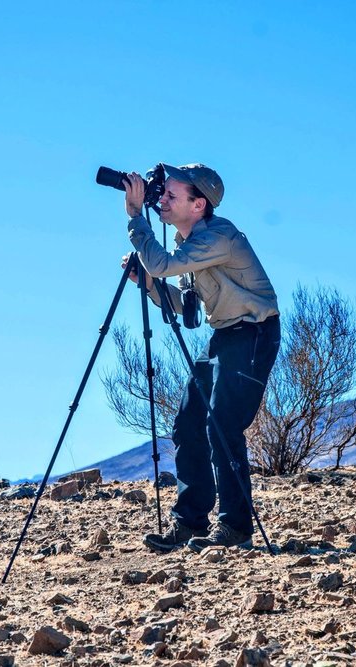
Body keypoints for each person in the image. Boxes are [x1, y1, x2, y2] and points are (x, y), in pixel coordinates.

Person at [120, 163, 280, 552]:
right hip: (224, 334)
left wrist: (135, 217)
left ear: (199, 204)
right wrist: (148, 285)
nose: (162, 199)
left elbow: (159, 263)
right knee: (189, 422)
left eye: (171, 195)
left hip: (254, 333)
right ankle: (190, 523)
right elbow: (185, 309)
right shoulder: (185, 246)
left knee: (222, 425)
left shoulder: (219, 237)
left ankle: (235, 528)